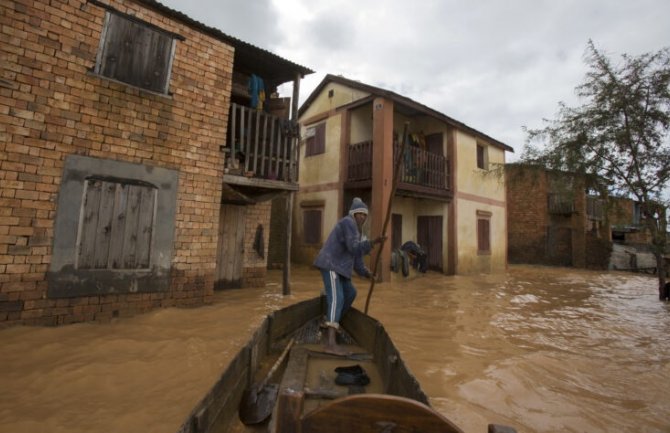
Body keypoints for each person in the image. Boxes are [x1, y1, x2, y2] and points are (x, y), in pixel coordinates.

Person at [313, 197, 386, 355]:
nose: (362, 217)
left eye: (365, 215)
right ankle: (331, 343)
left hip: (341, 270)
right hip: (331, 264)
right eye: (359, 214)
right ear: (353, 214)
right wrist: (373, 242)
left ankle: (331, 322)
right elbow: (354, 248)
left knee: (350, 293)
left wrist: (368, 274)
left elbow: (358, 262)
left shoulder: (358, 233)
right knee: (337, 297)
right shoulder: (348, 223)